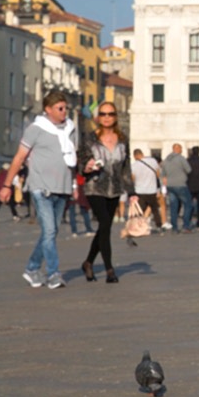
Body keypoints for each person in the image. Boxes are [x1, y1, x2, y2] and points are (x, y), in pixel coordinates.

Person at [0, 90, 77, 289]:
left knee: (50, 233)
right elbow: (19, 157)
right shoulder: (36, 129)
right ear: (48, 109)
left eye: (65, 108)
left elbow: (71, 159)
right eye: (60, 108)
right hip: (40, 187)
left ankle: (32, 268)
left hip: (63, 186)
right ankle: (53, 274)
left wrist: (75, 184)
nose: (64, 112)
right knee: (50, 231)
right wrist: (7, 185)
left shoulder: (70, 129)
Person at [77, 101, 136, 283]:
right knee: (104, 224)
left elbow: (126, 167)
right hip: (95, 187)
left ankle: (88, 262)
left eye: (110, 114)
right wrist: (87, 167)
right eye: (103, 114)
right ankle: (110, 269)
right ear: (98, 117)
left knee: (105, 227)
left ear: (115, 117)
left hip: (115, 188)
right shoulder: (89, 138)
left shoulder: (123, 139)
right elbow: (80, 164)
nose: (107, 117)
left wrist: (132, 192)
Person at [160, 143, 193, 233]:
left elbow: (162, 174)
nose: (182, 151)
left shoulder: (166, 160)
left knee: (173, 206)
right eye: (181, 149)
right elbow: (189, 170)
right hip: (181, 184)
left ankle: (174, 227)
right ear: (177, 149)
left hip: (170, 185)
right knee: (188, 204)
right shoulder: (181, 158)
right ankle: (186, 225)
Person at [131, 149, 164, 229]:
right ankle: (159, 225)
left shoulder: (134, 165)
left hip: (140, 190)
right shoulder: (152, 161)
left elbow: (133, 178)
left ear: (135, 156)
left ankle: (138, 225)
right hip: (152, 189)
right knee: (155, 208)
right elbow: (158, 174)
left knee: (140, 209)